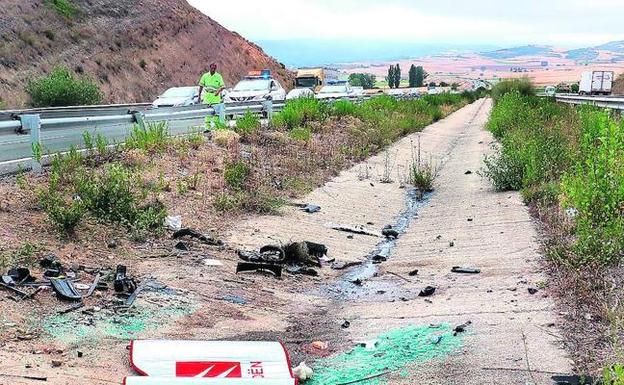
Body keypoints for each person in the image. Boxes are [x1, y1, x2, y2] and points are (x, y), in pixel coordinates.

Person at [198, 63, 226, 129]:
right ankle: (207, 129)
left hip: (215, 97)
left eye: (214, 68)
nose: (213, 69)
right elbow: (201, 86)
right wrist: (199, 96)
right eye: (212, 68)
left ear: (215, 69)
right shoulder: (205, 76)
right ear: (209, 68)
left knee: (216, 114)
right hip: (207, 97)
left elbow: (223, 86)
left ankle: (216, 128)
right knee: (207, 114)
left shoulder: (218, 76)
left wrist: (218, 91)